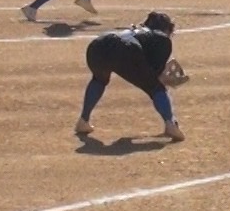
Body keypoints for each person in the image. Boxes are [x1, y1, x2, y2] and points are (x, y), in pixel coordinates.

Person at [75, 11, 185, 142]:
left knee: (99, 80)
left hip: (98, 44)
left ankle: (83, 120)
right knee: (156, 88)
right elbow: (155, 76)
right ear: (166, 28)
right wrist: (165, 80)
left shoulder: (137, 31)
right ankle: (170, 123)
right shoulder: (162, 39)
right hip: (126, 49)